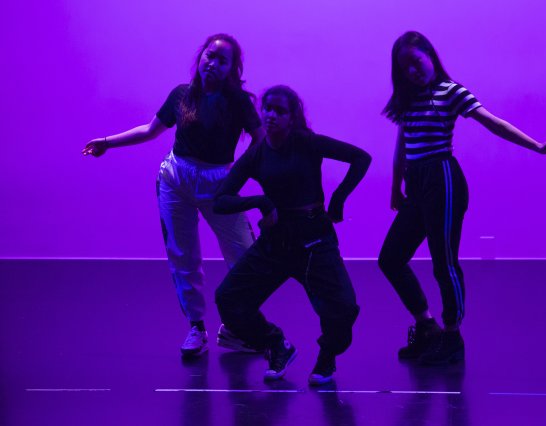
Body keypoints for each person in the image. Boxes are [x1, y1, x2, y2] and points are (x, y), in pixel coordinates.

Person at [378, 31, 546, 365]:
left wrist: (538, 146)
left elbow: (493, 123)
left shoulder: (451, 91)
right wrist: (396, 187)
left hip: (442, 180)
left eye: (416, 61)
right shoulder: (408, 99)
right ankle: (427, 326)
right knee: (390, 259)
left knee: (444, 262)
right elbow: (401, 146)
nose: (412, 71)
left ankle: (452, 336)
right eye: (404, 67)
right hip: (416, 184)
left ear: (430, 55)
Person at [82, 34, 265, 357]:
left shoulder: (238, 102)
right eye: (210, 55)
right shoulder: (182, 94)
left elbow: (261, 140)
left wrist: (242, 174)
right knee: (182, 255)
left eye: (222, 61)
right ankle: (196, 328)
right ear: (200, 57)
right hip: (175, 180)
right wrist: (107, 143)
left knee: (245, 254)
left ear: (231, 69)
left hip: (218, 183)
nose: (213, 63)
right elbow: (150, 130)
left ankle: (236, 327)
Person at [212, 85, 371, 385]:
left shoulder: (306, 142)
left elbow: (361, 158)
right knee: (229, 299)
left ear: (292, 116)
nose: (271, 115)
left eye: (280, 111)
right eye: (267, 108)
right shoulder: (257, 154)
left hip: (314, 239)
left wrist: (338, 198)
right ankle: (276, 345)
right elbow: (221, 200)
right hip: (276, 241)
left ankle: (327, 356)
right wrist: (261, 202)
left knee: (344, 309)